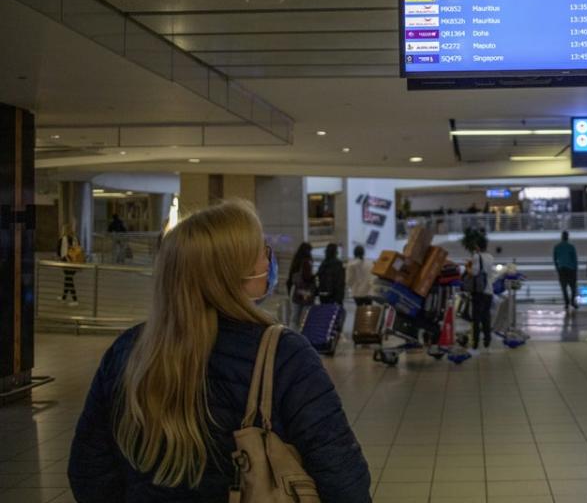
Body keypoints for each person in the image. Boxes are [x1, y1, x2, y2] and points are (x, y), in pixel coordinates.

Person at [67, 200, 371, 502]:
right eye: (261, 253)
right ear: (232, 273)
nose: (268, 262)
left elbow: (88, 470)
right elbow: (342, 476)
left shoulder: (128, 351)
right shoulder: (284, 353)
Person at [468, 235, 495, 350]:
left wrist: (467, 267)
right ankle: (487, 339)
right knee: (486, 316)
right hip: (489, 290)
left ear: (477, 246)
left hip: (479, 291)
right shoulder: (490, 257)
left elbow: (474, 273)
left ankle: (475, 342)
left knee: (476, 317)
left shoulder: (476, 256)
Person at [286, 242, 315, 331]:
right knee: (305, 317)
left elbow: (290, 278)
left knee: (294, 317)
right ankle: (302, 335)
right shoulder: (307, 261)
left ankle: (292, 334)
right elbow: (308, 278)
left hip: (295, 290)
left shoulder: (296, 260)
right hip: (305, 292)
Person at [552, 231, 578, 310]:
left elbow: (555, 259)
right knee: (573, 287)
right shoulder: (571, 247)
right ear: (567, 237)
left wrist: (557, 268)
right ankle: (572, 302)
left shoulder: (557, 247)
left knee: (564, 288)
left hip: (562, 269)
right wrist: (575, 269)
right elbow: (575, 259)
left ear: (562, 237)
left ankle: (567, 303)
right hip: (571, 270)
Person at [58, 224, 81, 305]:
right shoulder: (75, 238)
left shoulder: (65, 239)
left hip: (69, 262)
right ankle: (64, 297)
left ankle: (75, 300)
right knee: (67, 279)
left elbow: (59, 251)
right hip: (73, 262)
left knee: (69, 280)